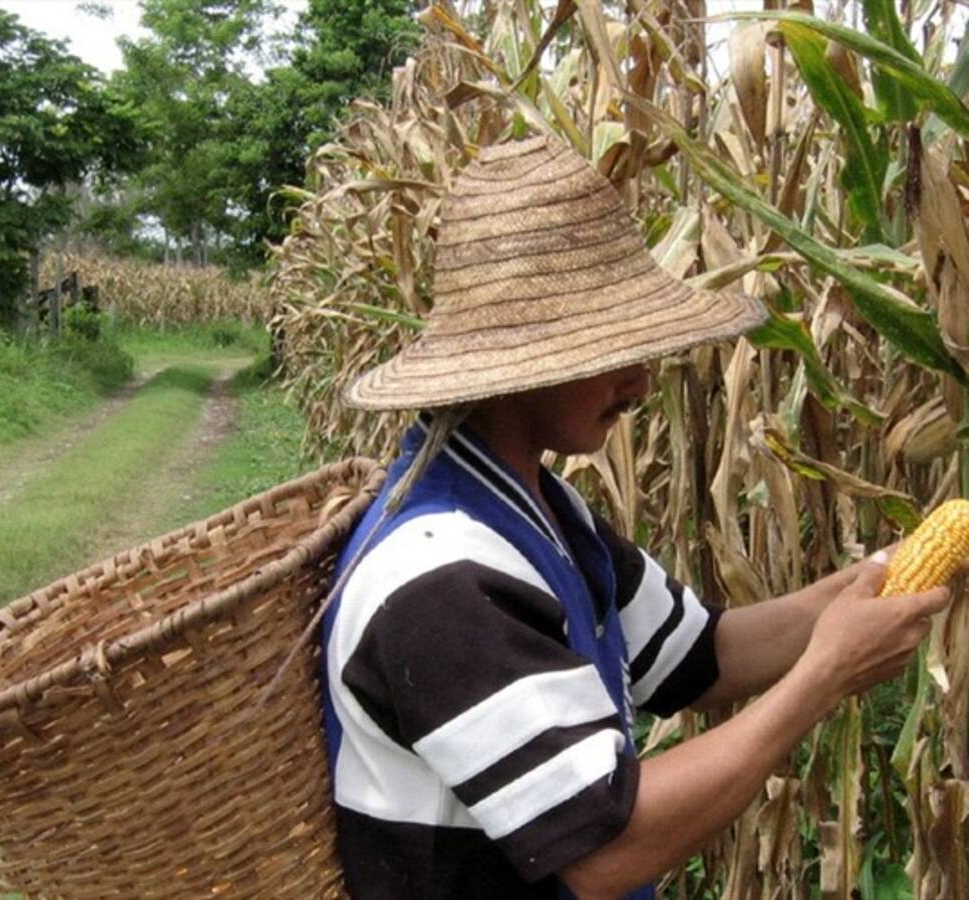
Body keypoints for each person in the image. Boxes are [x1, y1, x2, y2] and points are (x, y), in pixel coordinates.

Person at [318, 136, 951, 900]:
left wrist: (889, 574)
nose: (642, 382)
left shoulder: (542, 511)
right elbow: (604, 849)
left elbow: (701, 657)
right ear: (523, 362)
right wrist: (825, 675)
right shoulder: (441, 576)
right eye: (615, 352)